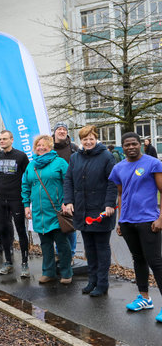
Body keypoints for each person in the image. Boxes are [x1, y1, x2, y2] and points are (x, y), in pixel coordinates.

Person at [109, 132, 162, 322]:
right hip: (128, 221)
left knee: (155, 261)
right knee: (138, 259)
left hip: (148, 220)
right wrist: (121, 221)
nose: (130, 147)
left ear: (140, 144)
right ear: (122, 147)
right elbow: (121, 195)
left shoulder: (153, 163)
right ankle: (145, 298)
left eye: (134, 144)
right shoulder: (118, 168)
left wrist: (161, 218)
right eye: (126, 145)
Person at [63, 125, 117, 296]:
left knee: (101, 248)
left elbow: (112, 182)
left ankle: (102, 283)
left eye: (91, 138)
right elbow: (68, 180)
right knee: (89, 248)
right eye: (84, 139)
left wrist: (109, 204)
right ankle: (92, 280)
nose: (88, 142)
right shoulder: (75, 158)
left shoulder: (107, 156)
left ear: (96, 138)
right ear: (81, 141)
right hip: (82, 210)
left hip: (101, 210)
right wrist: (69, 201)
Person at [21, 135, 72, 284]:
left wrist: (67, 202)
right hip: (39, 211)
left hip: (57, 211)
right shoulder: (31, 165)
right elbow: (25, 186)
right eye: (38, 145)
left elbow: (69, 183)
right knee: (45, 244)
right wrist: (26, 205)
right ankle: (48, 272)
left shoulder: (60, 163)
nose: (40, 148)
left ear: (50, 146)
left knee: (62, 244)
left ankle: (66, 273)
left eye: (44, 145)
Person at [0, 130, 30, 278]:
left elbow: (27, 177)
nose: (2, 141)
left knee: (20, 230)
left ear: (12, 139)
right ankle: (8, 262)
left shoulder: (21, 156)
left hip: (16, 199)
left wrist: (26, 199)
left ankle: (24, 263)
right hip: (1, 198)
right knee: (3, 230)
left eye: (4, 139)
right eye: (0, 139)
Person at [52, 121, 78, 261]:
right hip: (52, 191)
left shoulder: (73, 148)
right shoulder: (49, 148)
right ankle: (59, 252)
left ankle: (71, 254)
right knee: (56, 224)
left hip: (70, 190)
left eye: (64, 129)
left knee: (69, 223)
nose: (62, 131)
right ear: (54, 132)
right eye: (59, 129)